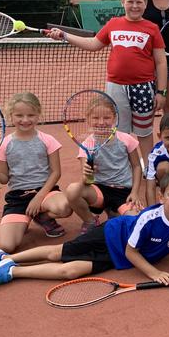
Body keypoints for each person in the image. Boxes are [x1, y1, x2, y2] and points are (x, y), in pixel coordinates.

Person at [0, 171, 169, 291]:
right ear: (161, 197)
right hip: (111, 236)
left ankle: (10, 272)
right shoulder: (150, 218)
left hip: (116, 257)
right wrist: (154, 272)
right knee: (57, 253)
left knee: (69, 271)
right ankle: (2, 257)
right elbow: (132, 251)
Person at [46, 0, 167, 161]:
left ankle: (149, 170)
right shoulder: (113, 24)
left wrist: (161, 92)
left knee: (144, 132)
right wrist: (64, 35)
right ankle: (124, 169)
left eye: (139, 2)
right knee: (119, 133)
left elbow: (161, 61)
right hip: (116, 87)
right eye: (130, 1)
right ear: (122, 2)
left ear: (145, 3)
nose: (135, 6)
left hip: (143, 87)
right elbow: (93, 44)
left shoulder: (152, 28)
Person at [0, 92, 72, 252]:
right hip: (18, 198)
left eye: (31, 115)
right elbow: (4, 179)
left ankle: (42, 217)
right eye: (19, 115)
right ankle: (26, 217)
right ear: (11, 115)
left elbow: (56, 173)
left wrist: (39, 198)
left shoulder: (48, 140)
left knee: (65, 207)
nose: (25, 120)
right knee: (7, 246)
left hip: (45, 192)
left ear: (38, 114)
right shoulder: (3, 145)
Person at [64, 94, 144, 235]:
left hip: (123, 192)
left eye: (106, 118)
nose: (101, 122)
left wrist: (135, 192)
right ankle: (90, 221)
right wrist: (88, 174)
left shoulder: (126, 139)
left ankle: (114, 211)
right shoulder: (87, 144)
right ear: (88, 119)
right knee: (72, 190)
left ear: (114, 118)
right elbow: (86, 181)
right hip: (99, 191)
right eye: (95, 118)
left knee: (137, 223)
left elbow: (137, 166)